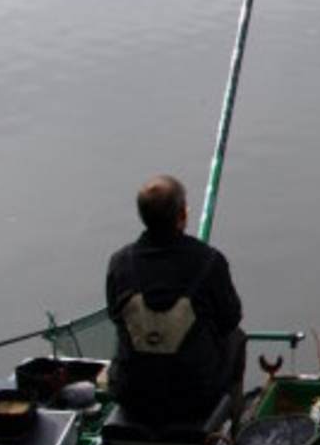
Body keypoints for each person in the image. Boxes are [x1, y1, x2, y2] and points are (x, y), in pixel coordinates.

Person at [105, 175, 245, 428]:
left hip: (132, 393)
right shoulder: (210, 261)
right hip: (194, 396)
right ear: (182, 215)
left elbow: (115, 317)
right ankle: (234, 430)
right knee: (237, 338)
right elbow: (230, 320)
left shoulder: (120, 262)